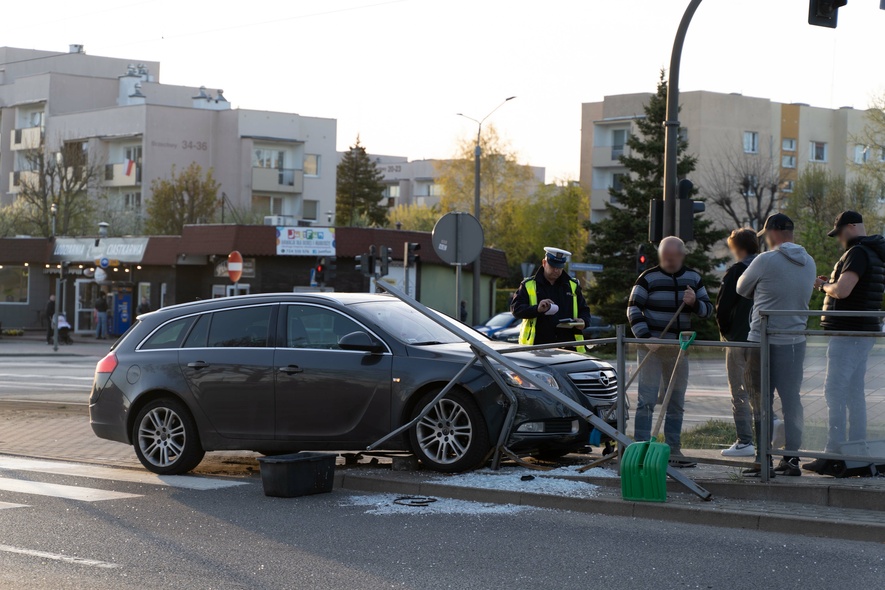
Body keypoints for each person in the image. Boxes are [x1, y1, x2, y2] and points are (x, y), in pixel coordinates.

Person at [805, 211, 885, 474]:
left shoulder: (858, 253)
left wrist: (824, 286)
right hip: (861, 333)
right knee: (854, 393)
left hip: (848, 334)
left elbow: (843, 290)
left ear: (851, 226)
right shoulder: (873, 251)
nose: (839, 239)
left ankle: (833, 453)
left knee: (835, 391)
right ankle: (856, 451)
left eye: (840, 232)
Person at [737, 213, 816, 477]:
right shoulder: (809, 262)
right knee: (792, 401)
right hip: (795, 342)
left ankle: (763, 460)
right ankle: (791, 459)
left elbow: (740, 288)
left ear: (771, 233)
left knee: (760, 401)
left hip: (762, 341)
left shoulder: (765, 260)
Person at [627, 236, 714, 467]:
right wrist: (646, 338)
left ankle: (673, 451)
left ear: (682, 256)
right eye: (665, 258)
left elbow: (708, 311)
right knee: (646, 400)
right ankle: (641, 449)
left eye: (673, 259)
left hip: (679, 350)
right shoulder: (648, 278)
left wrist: (695, 302)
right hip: (652, 349)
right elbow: (633, 308)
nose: (669, 262)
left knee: (675, 401)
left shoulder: (693, 278)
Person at [715, 228, 758, 457]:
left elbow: (723, 306)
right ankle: (767, 436)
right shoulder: (765, 268)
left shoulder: (737, 271)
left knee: (739, 390)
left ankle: (744, 440)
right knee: (759, 390)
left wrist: (725, 332)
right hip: (761, 337)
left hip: (738, 338)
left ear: (738, 248)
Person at [512, 247, 591, 353]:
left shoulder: (572, 285)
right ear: (544, 263)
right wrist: (537, 309)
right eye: (553, 266)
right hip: (537, 348)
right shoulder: (528, 285)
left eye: (560, 267)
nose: (556, 270)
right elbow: (516, 309)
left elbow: (584, 310)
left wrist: (583, 321)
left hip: (569, 348)